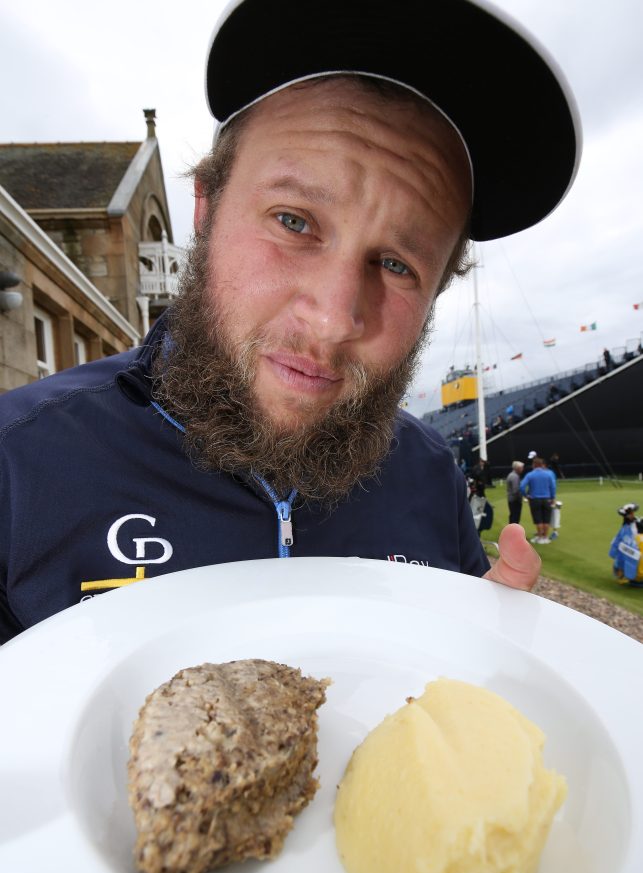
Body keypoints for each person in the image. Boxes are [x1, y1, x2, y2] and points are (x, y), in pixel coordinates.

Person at [0, 0, 580, 642]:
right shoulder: (16, 465)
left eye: (395, 263)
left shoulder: (429, 472)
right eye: (294, 221)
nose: (334, 318)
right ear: (208, 208)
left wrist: (491, 663)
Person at [519, 457, 557, 544]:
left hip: (535, 499)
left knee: (538, 519)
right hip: (547, 499)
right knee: (546, 519)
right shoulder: (548, 474)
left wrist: (526, 495)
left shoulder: (530, 475)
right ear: (541, 464)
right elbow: (553, 487)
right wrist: (553, 497)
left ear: (534, 465)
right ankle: (545, 537)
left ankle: (540, 537)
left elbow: (522, 487)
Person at [506, 461, 525, 525]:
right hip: (515, 500)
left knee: (513, 516)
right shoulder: (515, 476)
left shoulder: (512, 475)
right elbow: (516, 490)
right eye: (521, 467)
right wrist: (520, 498)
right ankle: (514, 533)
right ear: (517, 468)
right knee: (515, 517)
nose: (522, 469)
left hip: (511, 499)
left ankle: (511, 531)